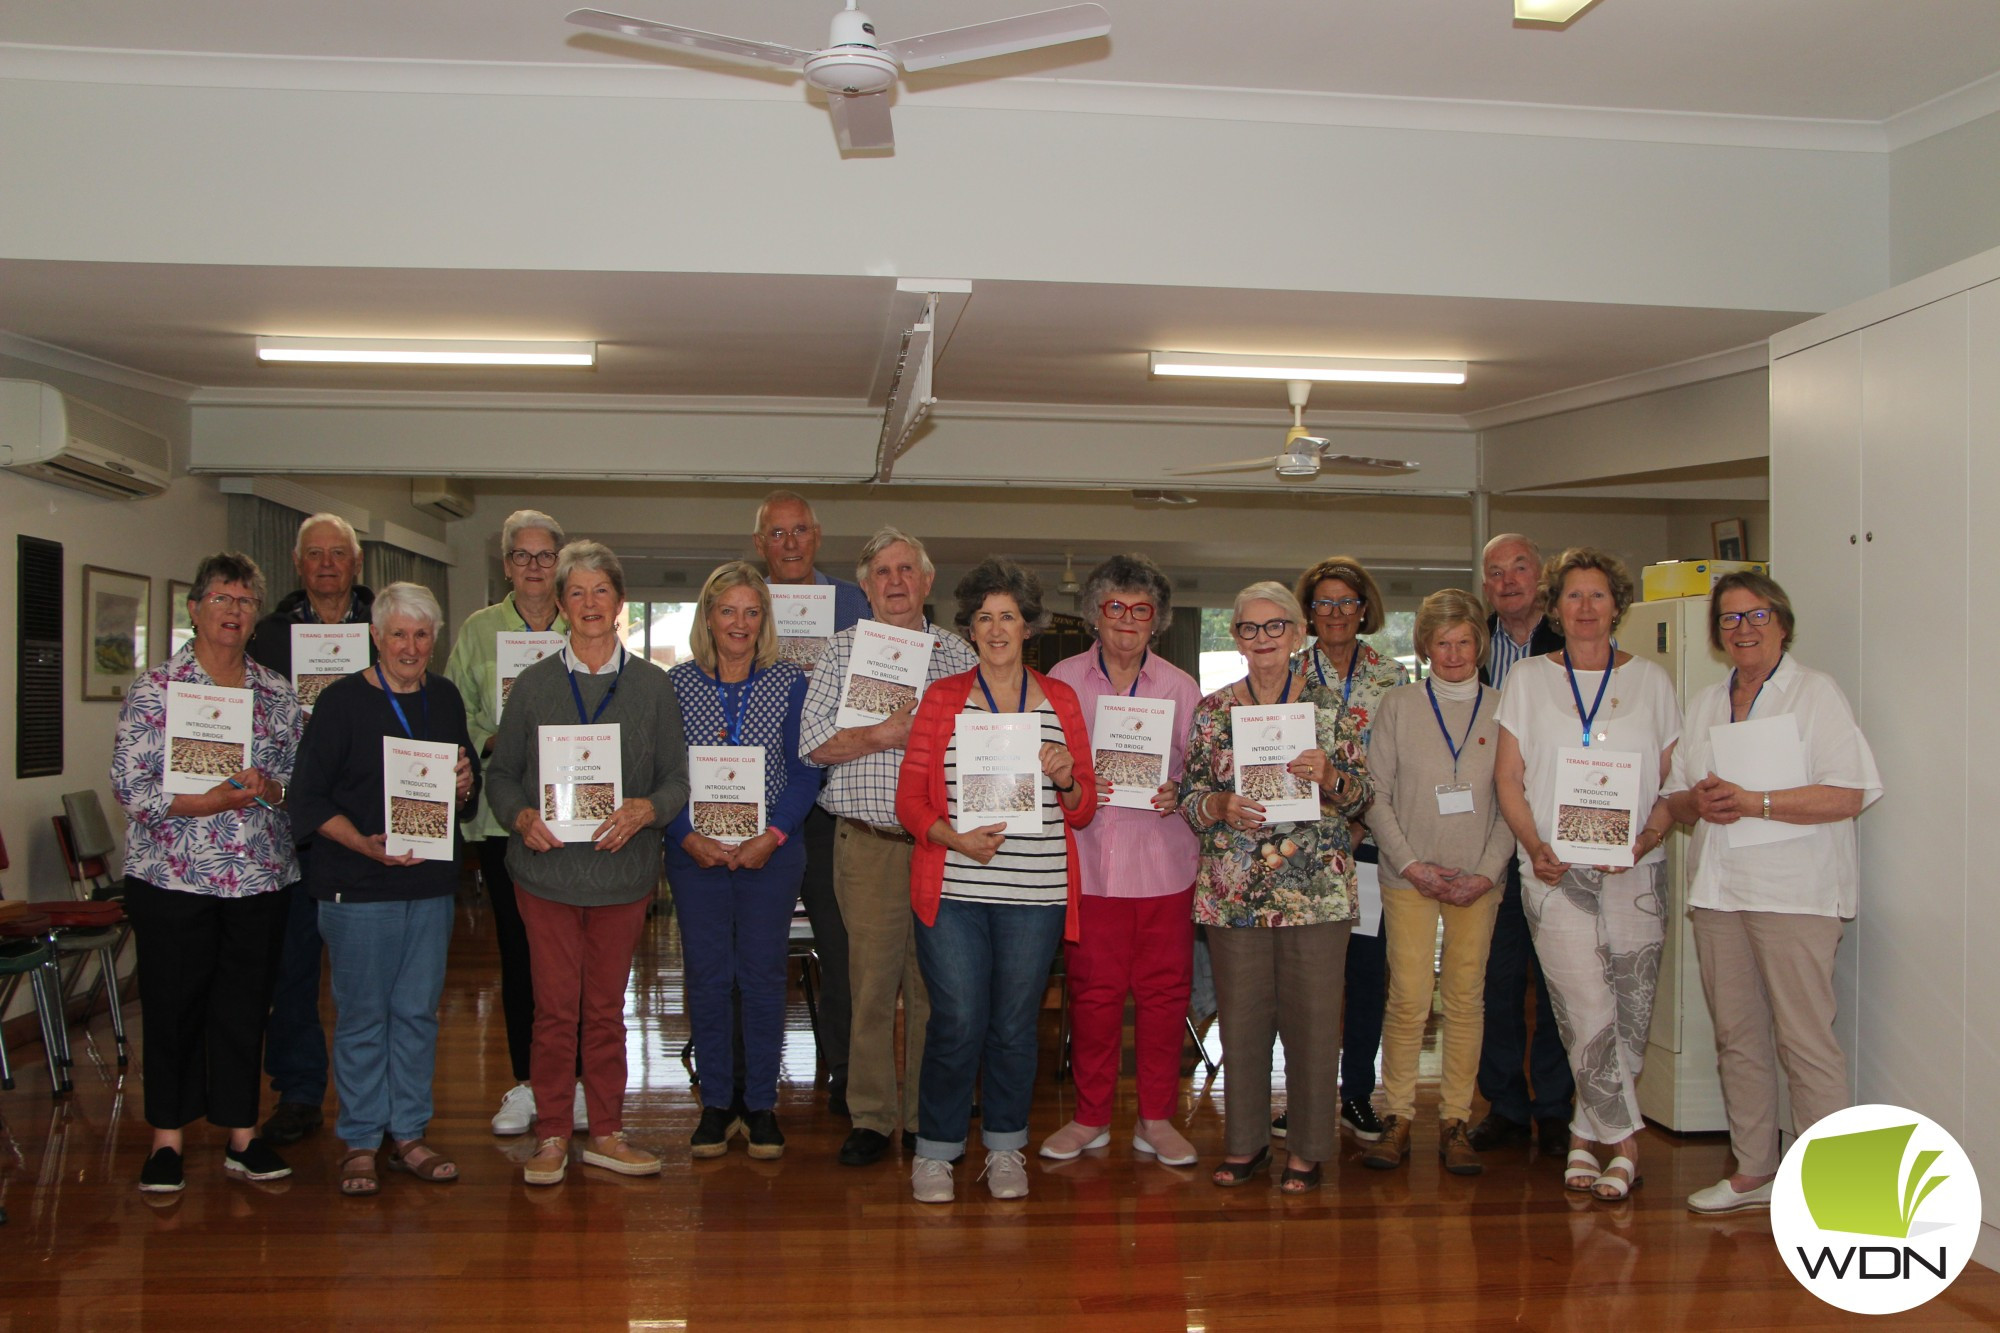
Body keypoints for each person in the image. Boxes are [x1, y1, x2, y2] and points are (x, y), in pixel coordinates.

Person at [1664, 572, 1881, 1215]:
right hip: (1719, 891)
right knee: (1738, 1038)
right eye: (1729, 620)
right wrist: (1693, 801)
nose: (1743, 630)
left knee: (1806, 1042)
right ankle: (1756, 1170)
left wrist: (1759, 802)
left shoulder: (1815, 694)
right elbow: (1675, 798)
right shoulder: (1705, 702)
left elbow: (1849, 792)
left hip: (1795, 895)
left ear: (1782, 623)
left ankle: (1838, 1196)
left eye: (1755, 616)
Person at [486, 540, 690, 1185]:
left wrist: (644, 810)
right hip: (545, 876)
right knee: (552, 1013)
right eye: (576, 592)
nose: (589, 604)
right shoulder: (535, 685)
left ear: (620, 602)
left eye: (601, 591)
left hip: (621, 876)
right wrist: (520, 817)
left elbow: (676, 781)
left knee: (604, 1012)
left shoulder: (654, 686)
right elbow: (503, 776)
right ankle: (551, 1135)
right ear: (562, 604)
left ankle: (605, 1130)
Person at [896, 558, 1096, 1202]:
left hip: (1035, 896)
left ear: (1028, 626)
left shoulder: (1060, 700)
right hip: (955, 887)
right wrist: (952, 837)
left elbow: (1084, 806)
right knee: (956, 1020)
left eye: (1008, 615)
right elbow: (909, 801)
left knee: (1013, 1025)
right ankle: (937, 1150)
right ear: (971, 629)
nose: (997, 627)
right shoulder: (942, 698)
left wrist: (1066, 777)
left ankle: (1007, 1146)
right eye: (984, 617)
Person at [112, 553, 303, 1194]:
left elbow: (300, 785)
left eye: (246, 601)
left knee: (245, 1007)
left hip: (257, 878)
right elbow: (132, 788)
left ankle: (241, 1135)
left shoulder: (276, 692)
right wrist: (207, 801)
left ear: (256, 618)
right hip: (170, 876)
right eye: (222, 599)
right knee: (172, 1006)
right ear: (193, 609)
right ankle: (167, 1140)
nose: (234, 611)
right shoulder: (154, 689)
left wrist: (269, 787)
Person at [1494, 547, 1679, 1202]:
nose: (1584, 607)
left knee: (1629, 1009)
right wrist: (1534, 843)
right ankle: (1626, 1142)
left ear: (1617, 606)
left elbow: (1673, 786)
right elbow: (1508, 778)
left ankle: (1582, 1132)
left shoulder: (1653, 681)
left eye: (1597, 595)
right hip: (1552, 867)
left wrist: (1649, 836)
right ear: (1554, 606)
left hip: (1635, 868)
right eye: (1572, 595)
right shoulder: (1528, 681)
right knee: (1582, 1005)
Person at [288, 583, 478, 1195]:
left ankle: (410, 1135)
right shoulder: (341, 704)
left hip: (428, 884)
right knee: (364, 1017)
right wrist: (362, 843)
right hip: (357, 886)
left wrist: (467, 782)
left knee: (418, 1014)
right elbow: (309, 799)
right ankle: (362, 1140)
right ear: (376, 637)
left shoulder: (445, 698)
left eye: (422, 635)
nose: (411, 646)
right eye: (399, 633)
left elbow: (465, 782)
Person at [1181, 581, 1370, 1194]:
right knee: (1242, 1023)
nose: (1262, 640)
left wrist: (1332, 775)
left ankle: (1310, 1149)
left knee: (1314, 1023)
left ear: (1295, 634)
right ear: (1235, 637)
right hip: (1234, 893)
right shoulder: (1212, 710)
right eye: (1248, 628)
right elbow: (1187, 798)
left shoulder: (1331, 707)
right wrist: (1217, 801)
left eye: (1275, 627)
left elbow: (1363, 795)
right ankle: (1246, 1144)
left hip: (1315, 891)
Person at [799, 527, 978, 1168]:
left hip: (940, 847)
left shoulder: (959, 656)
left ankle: (927, 1116)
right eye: (882, 571)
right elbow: (815, 744)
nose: (895, 581)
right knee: (869, 986)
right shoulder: (839, 651)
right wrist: (887, 732)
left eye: (907, 570)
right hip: (867, 846)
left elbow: (977, 751)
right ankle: (872, 1117)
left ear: (928, 582)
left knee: (936, 989)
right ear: (866, 585)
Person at [1041, 554, 1202, 1168]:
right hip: (1089, 863)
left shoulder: (1181, 687)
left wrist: (1180, 791)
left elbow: (1203, 769)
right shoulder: (1061, 677)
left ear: (1156, 620)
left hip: (1165, 864)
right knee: (1093, 996)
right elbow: (1042, 755)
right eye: (1116, 608)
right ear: (1095, 616)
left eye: (1141, 610)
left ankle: (1156, 1119)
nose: (1128, 621)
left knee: (1165, 998)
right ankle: (1090, 1118)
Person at [440, 508, 585, 1138]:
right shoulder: (477, 632)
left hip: (574, 816)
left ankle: (574, 1083)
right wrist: (495, 737)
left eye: (544, 556)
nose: (534, 567)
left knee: (574, 956)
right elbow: (452, 712)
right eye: (521, 556)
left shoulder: (582, 623)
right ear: (506, 566)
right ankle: (528, 1083)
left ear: (560, 563)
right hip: (505, 823)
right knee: (520, 956)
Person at [665, 561, 816, 1159]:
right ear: (708, 616)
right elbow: (660, 774)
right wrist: (684, 835)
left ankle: (761, 1104)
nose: (740, 623)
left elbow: (805, 773)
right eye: (728, 610)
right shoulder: (674, 685)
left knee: (760, 977)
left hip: (770, 857)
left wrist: (772, 836)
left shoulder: (788, 682)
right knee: (706, 977)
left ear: (765, 620)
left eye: (752, 612)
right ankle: (715, 1103)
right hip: (694, 856)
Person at [1362, 590, 1513, 1175]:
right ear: (1424, 647)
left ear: (1480, 644)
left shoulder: (1505, 709)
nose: (1453, 653)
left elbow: (1513, 800)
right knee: (1407, 999)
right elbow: (1375, 793)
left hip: (1479, 879)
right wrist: (1410, 864)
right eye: (1441, 642)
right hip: (1409, 877)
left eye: (1464, 641)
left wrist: (1486, 872)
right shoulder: (1398, 706)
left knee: (1466, 999)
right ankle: (1397, 1117)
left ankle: (1455, 1119)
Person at [247, 512, 376, 1148]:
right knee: (292, 971)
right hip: (290, 830)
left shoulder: (384, 629)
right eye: (314, 555)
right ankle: (298, 1091)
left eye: (338, 554)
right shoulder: (266, 636)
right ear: (299, 566)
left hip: (366, 825)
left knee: (368, 979)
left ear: (357, 564)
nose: (327, 564)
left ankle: (373, 1100)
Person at [1281, 555, 1407, 1144]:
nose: (1335, 614)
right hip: (1301, 849)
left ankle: (1357, 1092)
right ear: (1308, 612)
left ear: (1364, 611)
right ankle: (1303, 1099)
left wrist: (1359, 822)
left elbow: (1400, 766)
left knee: (1364, 976)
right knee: (1304, 980)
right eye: (1323, 603)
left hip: (1368, 845)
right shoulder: (1285, 672)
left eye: (1346, 603)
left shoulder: (1394, 678)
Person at [750, 490, 867, 1116]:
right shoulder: (742, 602)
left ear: (817, 536)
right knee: (756, 945)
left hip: (831, 802)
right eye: (777, 533)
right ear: (759, 544)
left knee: (840, 943)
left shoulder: (853, 602)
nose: (790, 542)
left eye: (800, 531)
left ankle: (847, 1076)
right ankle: (748, 1082)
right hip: (757, 800)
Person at [1469, 532, 1574, 1157]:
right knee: (1496, 981)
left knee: (1559, 976)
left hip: (1553, 835)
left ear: (1542, 576)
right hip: (1486, 835)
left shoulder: (1575, 646)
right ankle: (1504, 1104)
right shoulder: (1467, 645)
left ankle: (1556, 1107)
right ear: (1485, 584)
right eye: (1495, 572)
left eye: (1520, 568)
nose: (1508, 581)